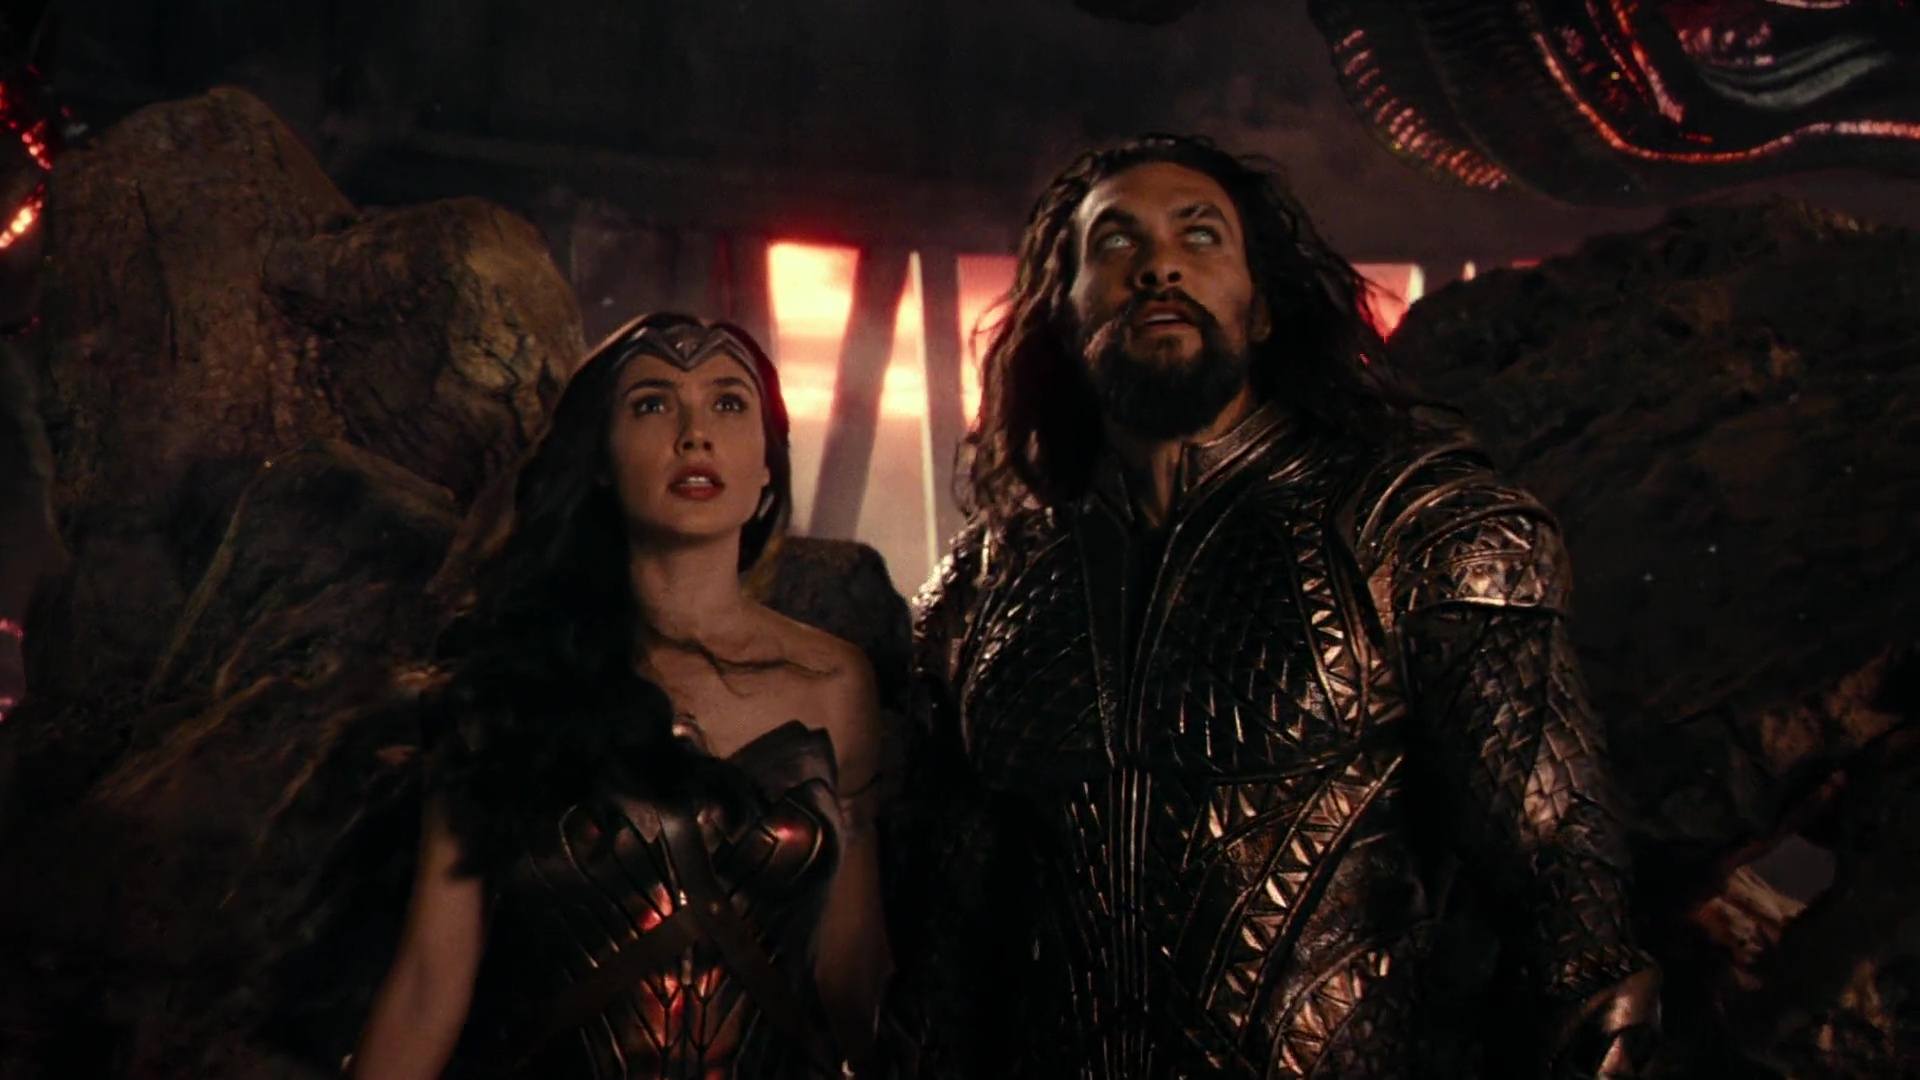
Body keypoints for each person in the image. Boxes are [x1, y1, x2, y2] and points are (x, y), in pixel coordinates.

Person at [890, 135, 1659, 1078]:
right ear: (1063, 311)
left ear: (1260, 310)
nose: (1159, 265)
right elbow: (944, 942)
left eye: (1200, 236)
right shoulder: (984, 588)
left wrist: (1596, 1003)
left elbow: (1554, 856)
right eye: (1117, 243)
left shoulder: (1410, 529)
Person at [351, 313, 890, 1079]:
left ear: (768, 465)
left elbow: (852, 984)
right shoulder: (513, 683)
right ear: (600, 460)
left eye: (728, 403)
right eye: (653, 404)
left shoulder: (836, 683)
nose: (695, 435)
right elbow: (428, 985)